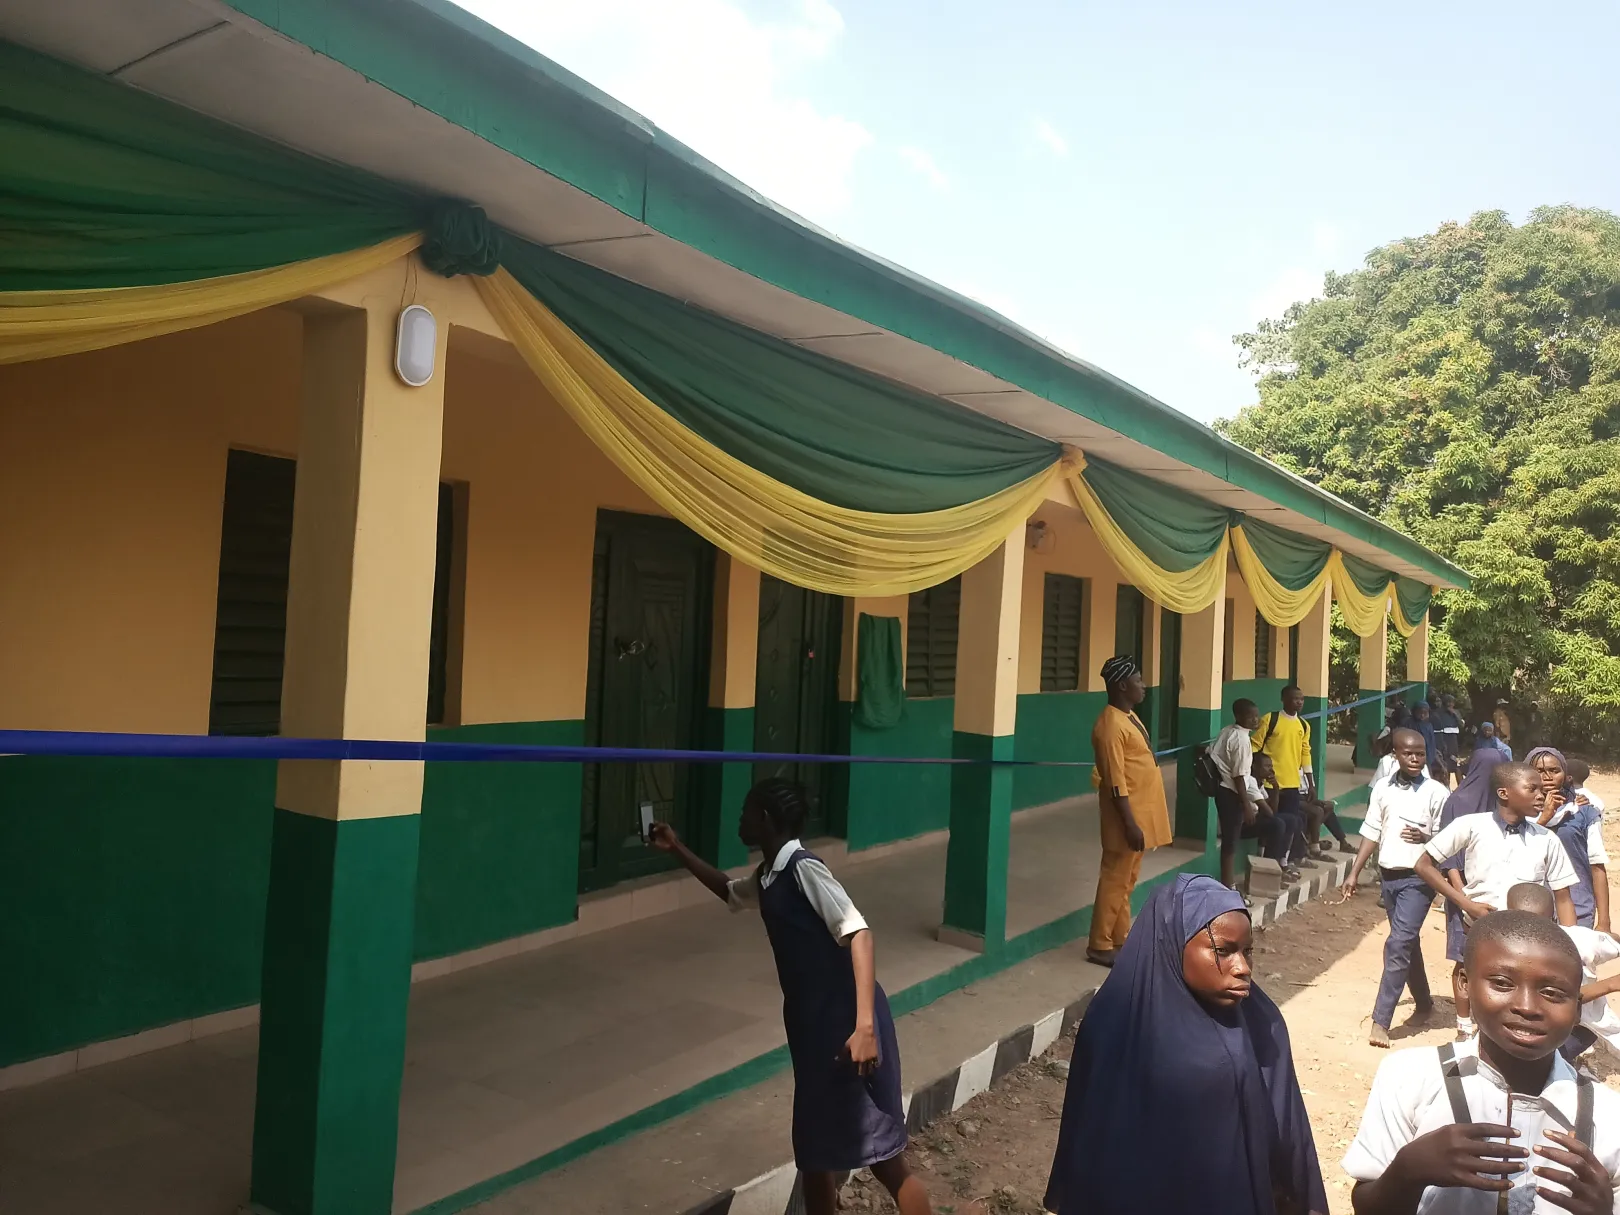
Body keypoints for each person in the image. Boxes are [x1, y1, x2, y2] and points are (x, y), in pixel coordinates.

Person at [648, 780, 931, 1215]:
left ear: (764, 819)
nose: (738, 821)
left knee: (883, 1157)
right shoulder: (769, 876)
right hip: (812, 1027)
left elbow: (860, 934)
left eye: (745, 812)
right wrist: (677, 849)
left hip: (848, 1024)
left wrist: (865, 1029)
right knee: (815, 1156)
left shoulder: (803, 869)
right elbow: (729, 891)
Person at [1043, 874, 1328, 1215]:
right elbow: (1090, 1145)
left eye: (1248, 951)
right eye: (1223, 951)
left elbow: (1286, 1137)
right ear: (1172, 944)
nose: (1242, 968)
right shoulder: (1115, 1025)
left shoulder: (1259, 1022)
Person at [1343, 909, 1620, 1215]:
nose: (1527, 1007)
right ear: (1464, 983)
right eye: (1502, 983)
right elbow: (1367, 1206)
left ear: (1577, 1009)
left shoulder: (1608, 1116)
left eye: (1552, 993)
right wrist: (1407, 1171)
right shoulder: (1409, 1077)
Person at [1342, 727, 1453, 1047]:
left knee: (1398, 944)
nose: (1416, 758)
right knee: (1406, 944)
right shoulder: (1382, 790)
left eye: (1421, 753)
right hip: (1388, 878)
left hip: (1419, 880)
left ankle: (1381, 1020)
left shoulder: (1436, 792)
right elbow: (1371, 831)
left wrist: (1427, 839)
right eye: (1409, 753)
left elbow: (1450, 839)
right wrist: (1354, 873)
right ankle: (1424, 1003)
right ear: (1396, 755)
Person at [1087, 655, 1173, 968]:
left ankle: (1119, 938)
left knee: (1127, 881)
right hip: (1126, 819)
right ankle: (1099, 944)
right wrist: (1129, 823)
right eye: (1139, 680)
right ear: (1123, 685)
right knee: (1114, 879)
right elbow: (1115, 781)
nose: (1144, 686)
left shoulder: (1129, 717)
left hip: (1139, 815)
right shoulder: (1110, 725)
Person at [1429, 741, 1507, 1042]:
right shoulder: (1458, 803)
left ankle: (1488, 1022)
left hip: (1494, 898)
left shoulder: (1501, 808)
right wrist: (1465, 900)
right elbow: (1449, 859)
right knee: (1465, 961)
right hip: (1463, 896)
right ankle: (1464, 1026)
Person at [1503, 883, 1620, 1064]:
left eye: (1538, 928)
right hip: (1534, 1025)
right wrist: (1610, 984)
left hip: (1583, 1026)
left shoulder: (1579, 941)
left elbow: (1611, 943)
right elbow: (1564, 996)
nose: (1530, 936)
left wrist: (1607, 936)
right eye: (1521, 926)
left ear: (1553, 921)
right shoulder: (1502, 951)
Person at [1530, 747, 1609, 932]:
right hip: (1532, 908)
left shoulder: (1584, 812)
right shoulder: (1519, 815)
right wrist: (1544, 818)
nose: (1547, 777)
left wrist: (1604, 921)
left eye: (1554, 771)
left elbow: (1597, 866)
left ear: (1566, 775)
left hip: (1578, 905)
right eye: (1539, 771)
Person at [1254, 684, 1317, 871]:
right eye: (1294, 698)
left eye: (1301, 699)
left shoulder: (1303, 726)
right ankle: (1262, 860)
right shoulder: (1271, 719)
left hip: (1291, 783)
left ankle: (1284, 861)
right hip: (1269, 783)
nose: (1299, 702)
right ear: (1284, 699)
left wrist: (1310, 783)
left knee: (1291, 823)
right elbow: (1255, 745)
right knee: (1269, 822)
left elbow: (1306, 753)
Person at [1211, 697, 1264, 891]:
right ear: (1239, 716)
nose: (1255, 720)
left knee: (1229, 840)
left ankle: (1227, 884)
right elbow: (1239, 777)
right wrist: (1247, 804)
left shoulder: (1227, 731)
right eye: (1251, 717)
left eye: (1257, 716)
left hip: (1224, 791)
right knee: (1230, 841)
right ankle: (1228, 886)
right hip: (1232, 793)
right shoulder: (1241, 740)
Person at [1411, 702, 1444, 783]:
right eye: (1420, 713)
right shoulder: (1409, 724)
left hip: (1428, 757)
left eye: (1425, 713)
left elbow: (1431, 744)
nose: (1422, 715)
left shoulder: (1428, 725)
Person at [1433, 695, 1461, 785]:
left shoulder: (1456, 713)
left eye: (1451, 702)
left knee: (1453, 762)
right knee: (1444, 763)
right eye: (1447, 701)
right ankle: (1446, 785)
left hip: (1453, 740)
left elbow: (1461, 725)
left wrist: (1454, 714)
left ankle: (1459, 786)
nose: (1449, 704)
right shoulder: (1438, 712)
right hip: (1443, 739)